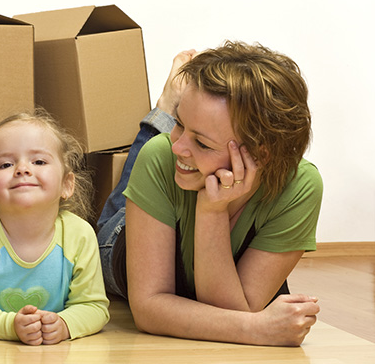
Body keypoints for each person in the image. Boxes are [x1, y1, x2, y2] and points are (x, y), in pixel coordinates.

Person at [96, 42, 323, 346]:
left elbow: (227, 312)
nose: (178, 145)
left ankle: (171, 111)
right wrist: (258, 328)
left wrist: (212, 210)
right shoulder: (163, 155)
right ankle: (164, 110)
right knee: (153, 153)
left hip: (179, 194)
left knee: (165, 153)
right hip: (118, 239)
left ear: (261, 154)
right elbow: (149, 310)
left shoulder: (301, 186)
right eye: (179, 123)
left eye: (202, 142)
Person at [0, 110, 110, 345]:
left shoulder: (80, 234)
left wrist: (66, 324)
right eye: (6, 164)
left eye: (39, 161)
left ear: (67, 184)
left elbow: (94, 306)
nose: (22, 169)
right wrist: (11, 326)